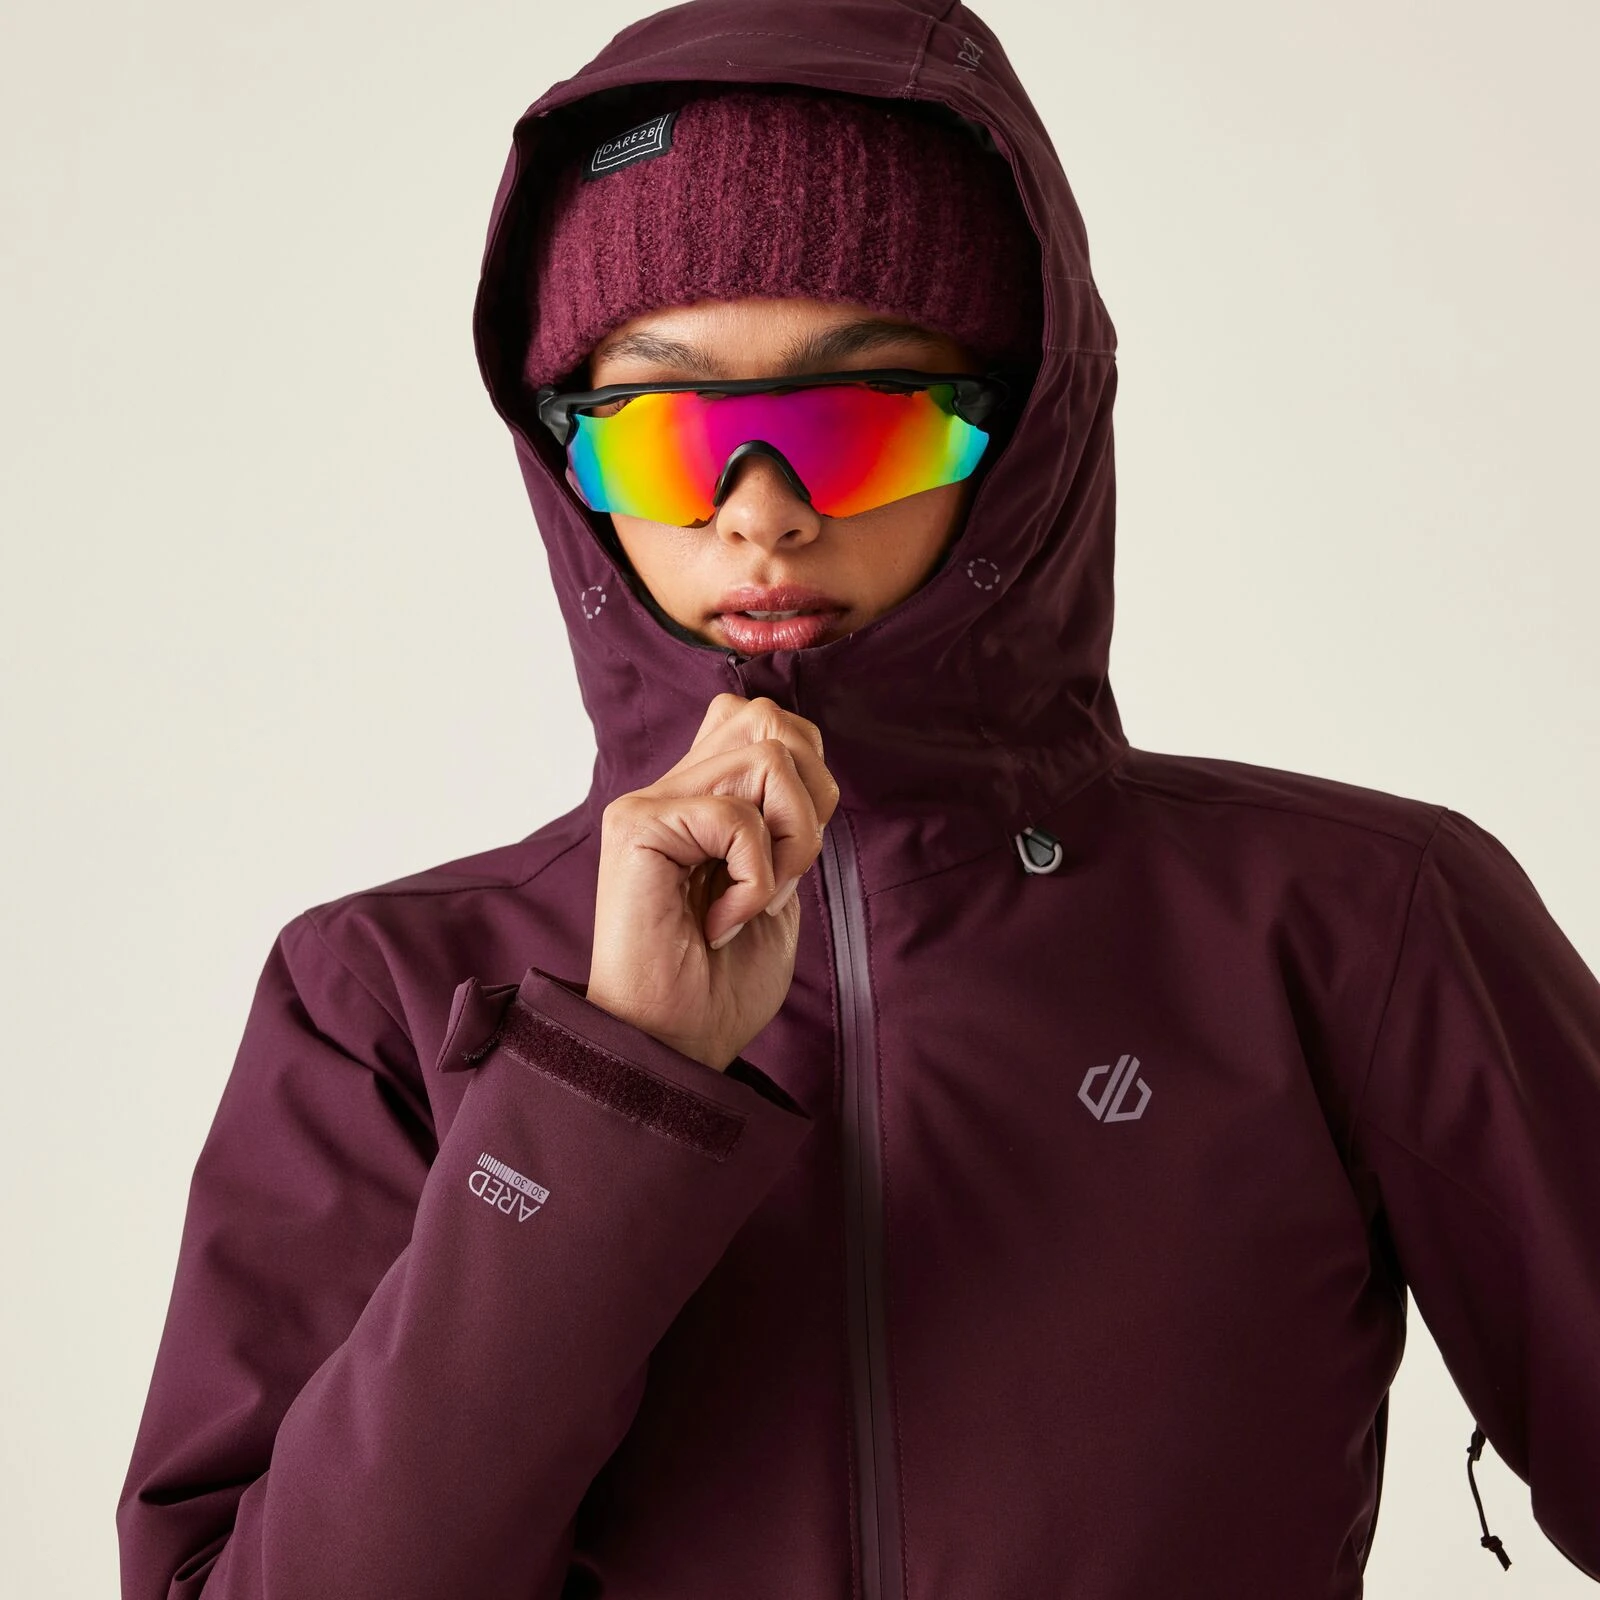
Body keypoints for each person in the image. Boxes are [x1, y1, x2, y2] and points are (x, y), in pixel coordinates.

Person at [117, 3, 1600, 1597]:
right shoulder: (382, 995)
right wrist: (610, 1080)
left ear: (1017, 427)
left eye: (859, 418)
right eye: (667, 434)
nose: (760, 517)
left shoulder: (1358, 921)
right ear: (572, 468)